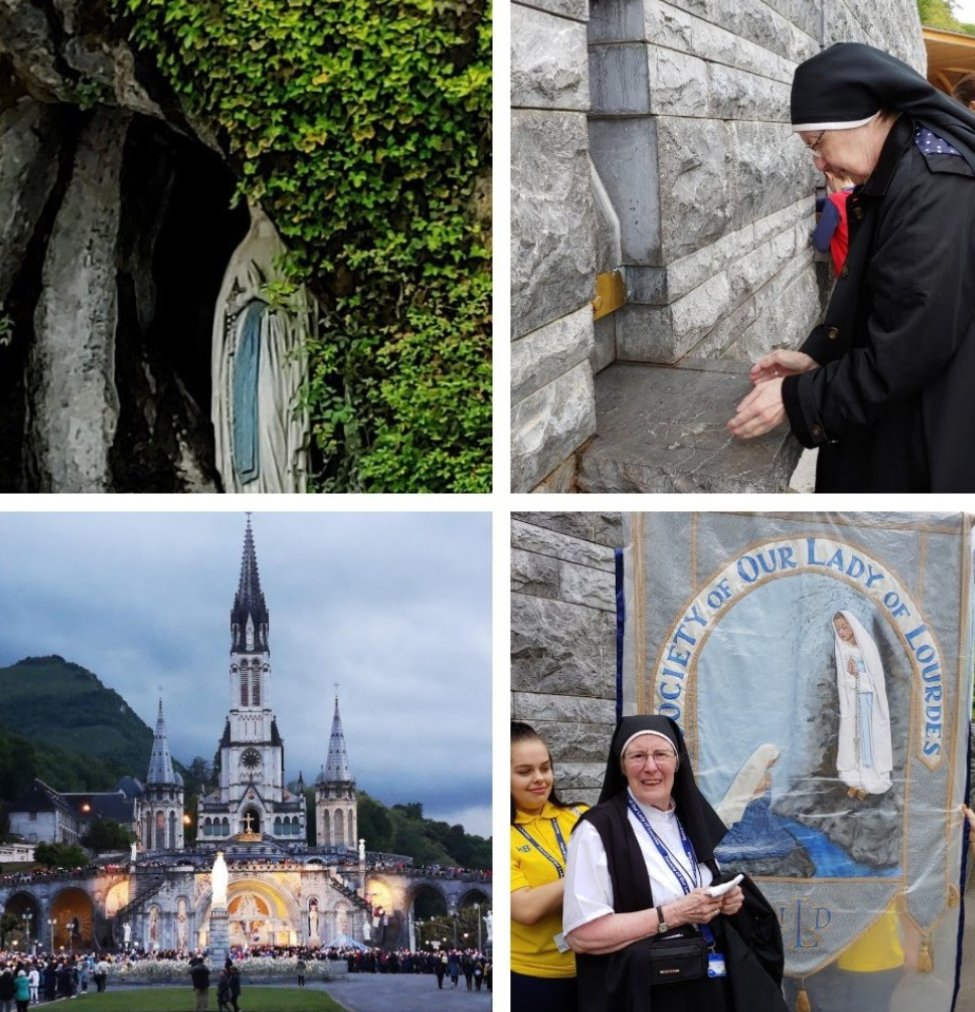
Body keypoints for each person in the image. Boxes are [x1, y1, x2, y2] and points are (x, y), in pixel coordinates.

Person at [727, 42, 975, 492]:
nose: (820, 163)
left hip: (926, 433)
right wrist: (819, 356)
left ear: (867, 119)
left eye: (818, 144)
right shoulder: (901, 168)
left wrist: (796, 397)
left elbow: (910, 345)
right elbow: (879, 294)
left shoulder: (934, 186)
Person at [563, 714, 788, 1011]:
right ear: (621, 765)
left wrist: (725, 902)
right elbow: (582, 936)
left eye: (660, 754)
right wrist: (675, 913)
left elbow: (700, 892)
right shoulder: (596, 830)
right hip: (645, 995)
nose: (651, 767)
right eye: (638, 756)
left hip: (708, 986)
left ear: (677, 761)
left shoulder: (691, 820)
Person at [510, 721, 588, 1012]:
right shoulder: (505, 836)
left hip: (596, 969)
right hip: (532, 979)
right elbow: (525, 909)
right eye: (524, 772)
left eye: (545, 767)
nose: (540, 778)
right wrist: (586, 873)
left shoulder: (581, 815)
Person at [832, 611, 893, 798]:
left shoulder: (865, 647)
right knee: (853, 737)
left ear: (852, 625)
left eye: (844, 627)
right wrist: (851, 678)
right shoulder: (842, 648)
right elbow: (844, 678)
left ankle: (868, 776)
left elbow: (873, 677)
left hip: (866, 699)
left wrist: (857, 675)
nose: (842, 632)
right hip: (853, 699)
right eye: (838, 628)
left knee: (866, 736)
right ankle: (856, 778)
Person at [812, 170, 856, 274]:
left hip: (847, 274)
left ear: (829, 175)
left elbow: (821, 244)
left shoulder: (835, 200)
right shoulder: (861, 193)